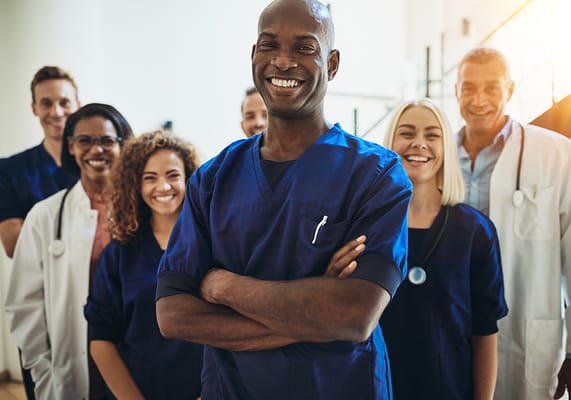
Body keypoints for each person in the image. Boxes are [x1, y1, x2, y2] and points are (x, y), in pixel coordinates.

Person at [155, 1, 412, 399]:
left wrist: (222, 287)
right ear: (253, 55)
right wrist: (314, 312)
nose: (283, 61)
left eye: (305, 48)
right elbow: (173, 315)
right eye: (268, 45)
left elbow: (354, 315)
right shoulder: (213, 179)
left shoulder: (375, 175)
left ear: (333, 63)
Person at [454, 47, 571, 400]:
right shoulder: (438, 153)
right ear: (455, 90)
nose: (478, 99)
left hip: (524, 326)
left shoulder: (556, 154)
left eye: (492, 87)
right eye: (468, 87)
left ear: (510, 89)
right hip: (453, 322)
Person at [379, 98, 508, 399]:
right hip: (377, 387)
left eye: (432, 135)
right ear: (391, 142)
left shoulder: (475, 232)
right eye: (407, 133)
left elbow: (484, 332)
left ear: (446, 148)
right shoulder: (369, 225)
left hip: (448, 389)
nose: (419, 144)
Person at [5, 103, 134, 400]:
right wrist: (43, 372)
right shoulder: (45, 216)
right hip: (72, 362)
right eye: (84, 141)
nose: (96, 150)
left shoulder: (143, 210)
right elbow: (24, 306)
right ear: (71, 148)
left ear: (123, 145)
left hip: (135, 355)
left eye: (106, 140)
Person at [84, 131, 203, 400]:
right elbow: (101, 340)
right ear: (135, 185)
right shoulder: (118, 255)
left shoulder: (212, 248)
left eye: (173, 175)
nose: (162, 187)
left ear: (190, 180)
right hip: (136, 391)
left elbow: (228, 332)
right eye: (150, 178)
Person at [0, 65, 80, 400]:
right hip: (41, 303)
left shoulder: (96, 160)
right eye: (46, 103)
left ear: (77, 103)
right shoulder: (11, 169)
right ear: (34, 108)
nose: (56, 111)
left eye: (64, 102)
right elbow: (14, 244)